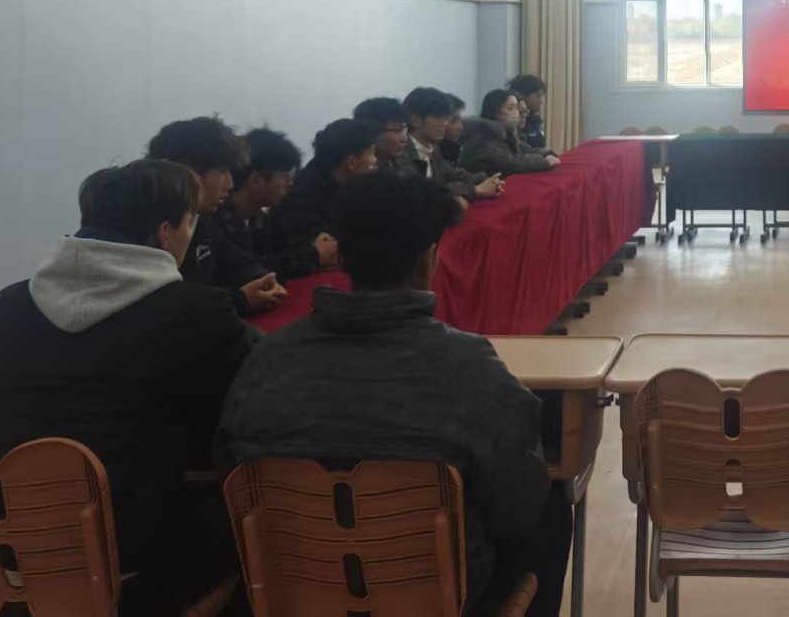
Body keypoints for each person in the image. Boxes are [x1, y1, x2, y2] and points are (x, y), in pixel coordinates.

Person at [216, 171, 572, 617]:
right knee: (551, 501)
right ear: (430, 258)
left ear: (340, 256)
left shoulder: (267, 359)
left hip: (294, 596)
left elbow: (231, 473)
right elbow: (516, 507)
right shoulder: (469, 366)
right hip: (440, 598)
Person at [0, 160, 253, 616]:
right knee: (258, 520)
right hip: (119, 561)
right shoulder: (195, 311)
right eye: (191, 223)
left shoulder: (7, 304)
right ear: (165, 234)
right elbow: (241, 420)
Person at [147, 116, 285, 317]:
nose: (230, 184)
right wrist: (239, 299)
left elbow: (237, 262)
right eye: (222, 172)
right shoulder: (146, 229)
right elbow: (169, 305)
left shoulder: (202, 219)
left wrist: (264, 281)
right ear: (189, 173)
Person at [220, 126, 339, 279]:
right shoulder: (218, 223)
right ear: (257, 180)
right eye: (285, 176)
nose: (290, 183)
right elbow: (246, 269)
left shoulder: (259, 219)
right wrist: (313, 256)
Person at [265, 118, 379, 260]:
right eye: (372, 153)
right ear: (351, 162)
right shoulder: (301, 198)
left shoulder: (344, 186)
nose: (375, 161)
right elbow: (328, 251)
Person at [404, 86, 503, 203]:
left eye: (445, 118)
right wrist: (475, 190)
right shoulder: (402, 151)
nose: (445, 123)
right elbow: (428, 192)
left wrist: (485, 180)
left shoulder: (432, 147)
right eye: (438, 118)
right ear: (415, 121)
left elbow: (452, 175)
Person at [460, 89, 561, 176]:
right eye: (510, 108)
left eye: (516, 108)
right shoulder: (480, 135)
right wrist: (544, 162)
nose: (516, 113)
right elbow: (509, 163)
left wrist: (547, 154)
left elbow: (524, 150)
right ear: (495, 111)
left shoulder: (505, 132)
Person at [354, 96, 412, 167]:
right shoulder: (353, 169)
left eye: (403, 131)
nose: (404, 139)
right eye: (397, 131)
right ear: (372, 132)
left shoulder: (406, 166)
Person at [507, 74, 549, 150]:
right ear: (524, 95)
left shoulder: (534, 121)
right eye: (538, 95)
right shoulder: (513, 121)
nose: (542, 101)